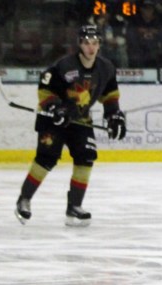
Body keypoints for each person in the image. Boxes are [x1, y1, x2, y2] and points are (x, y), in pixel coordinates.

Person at [14, 24, 127, 227]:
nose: (90, 48)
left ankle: (74, 206)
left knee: (86, 158)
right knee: (46, 159)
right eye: (86, 43)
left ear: (100, 45)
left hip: (81, 121)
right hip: (53, 120)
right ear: (79, 45)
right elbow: (46, 89)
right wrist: (56, 108)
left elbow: (109, 96)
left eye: (94, 43)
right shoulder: (64, 66)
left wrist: (114, 115)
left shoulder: (106, 68)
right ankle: (24, 199)